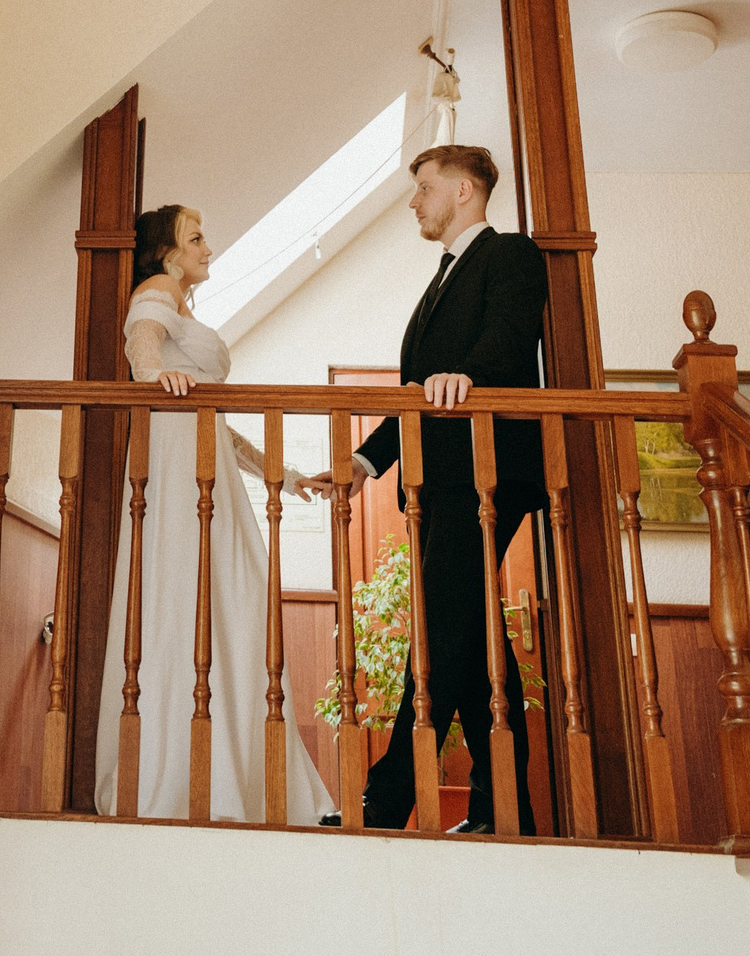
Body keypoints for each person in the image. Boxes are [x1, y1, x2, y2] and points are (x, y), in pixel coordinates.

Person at [307, 144, 547, 833]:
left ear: (466, 191)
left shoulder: (510, 255)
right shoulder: (441, 279)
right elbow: (419, 392)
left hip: (484, 475)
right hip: (437, 479)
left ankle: (387, 799)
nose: (414, 201)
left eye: (424, 187)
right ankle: (506, 810)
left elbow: (506, 341)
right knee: (470, 637)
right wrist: (363, 461)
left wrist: (467, 377)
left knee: (441, 633)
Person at [92, 202, 336, 824]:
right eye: (195, 237)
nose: (208, 248)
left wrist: (283, 474)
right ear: (167, 252)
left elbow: (222, 428)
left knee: (227, 599)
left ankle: (231, 773)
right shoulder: (158, 290)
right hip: (174, 462)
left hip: (207, 455)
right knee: (184, 593)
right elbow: (141, 345)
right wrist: (156, 379)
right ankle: (175, 778)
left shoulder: (185, 306)